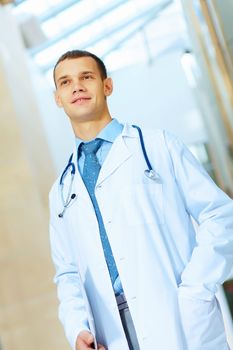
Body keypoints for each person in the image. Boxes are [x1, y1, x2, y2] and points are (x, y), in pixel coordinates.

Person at [49, 49, 233, 350]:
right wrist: (77, 328)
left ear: (107, 86)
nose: (77, 87)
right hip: (112, 331)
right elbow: (67, 271)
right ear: (58, 98)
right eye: (65, 82)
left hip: (178, 316)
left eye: (86, 77)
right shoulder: (61, 188)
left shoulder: (159, 146)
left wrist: (195, 288)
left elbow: (221, 216)